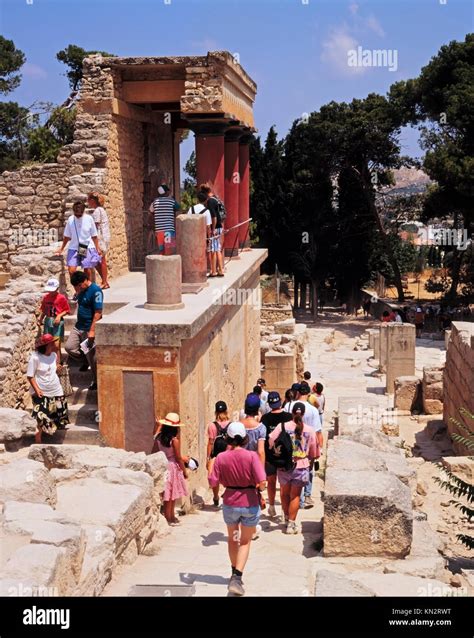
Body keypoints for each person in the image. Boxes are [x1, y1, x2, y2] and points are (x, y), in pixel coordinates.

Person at [208, 421, 267, 596]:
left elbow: (212, 482)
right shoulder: (251, 456)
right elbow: (262, 483)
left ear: (228, 438)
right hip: (249, 504)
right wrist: (259, 490)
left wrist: (211, 466)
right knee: (245, 541)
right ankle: (237, 577)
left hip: (230, 504)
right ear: (245, 438)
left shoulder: (221, 458)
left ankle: (234, 572)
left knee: (233, 538)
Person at [269, 402, 318, 534]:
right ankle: (291, 524)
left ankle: (285, 518)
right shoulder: (309, 430)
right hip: (302, 466)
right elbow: (314, 452)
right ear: (303, 414)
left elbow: (270, 440)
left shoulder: (282, 426)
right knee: (295, 495)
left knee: (284, 493)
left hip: (284, 465)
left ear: (291, 413)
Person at [284, 382, 322, 509]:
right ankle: (307, 495)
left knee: (294, 470)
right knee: (308, 470)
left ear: (298, 393)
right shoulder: (314, 410)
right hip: (308, 443)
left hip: (291, 444)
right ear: (308, 394)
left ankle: (298, 499)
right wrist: (319, 448)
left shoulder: (289, 406)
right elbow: (318, 431)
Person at [27, 334, 69, 443]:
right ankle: (38, 439)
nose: (55, 344)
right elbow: (30, 376)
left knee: (59, 411)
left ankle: (53, 433)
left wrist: (58, 368)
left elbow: (52, 370)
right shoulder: (35, 357)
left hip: (56, 389)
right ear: (47, 345)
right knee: (40, 415)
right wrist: (37, 390)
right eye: (52, 343)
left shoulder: (54, 355)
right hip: (42, 391)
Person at [65, 271, 103, 390]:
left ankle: (96, 381)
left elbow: (98, 313)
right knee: (69, 347)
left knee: (92, 357)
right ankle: (84, 361)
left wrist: (92, 331)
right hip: (78, 326)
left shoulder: (96, 291)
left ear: (86, 280)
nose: (79, 289)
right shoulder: (80, 290)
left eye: (80, 286)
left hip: (88, 328)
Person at [153, 413, 189, 526]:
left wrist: (158, 425)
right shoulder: (174, 440)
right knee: (171, 493)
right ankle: (170, 517)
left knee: (167, 492)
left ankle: (169, 515)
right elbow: (178, 457)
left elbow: (155, 435)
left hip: (163, 466)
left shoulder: (158, 437)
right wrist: (184, 471)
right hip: (172, 467)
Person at [261, 391, 293, 518]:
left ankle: (272, 506)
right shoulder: (288, 417)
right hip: (285, 457)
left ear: (269, 403)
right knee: (285, 486)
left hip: (270, 457)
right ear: (280, 402)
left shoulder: (265, 419)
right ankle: (284, 512)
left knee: (271, 481)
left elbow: (263, 438)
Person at [55, 201, 102, 280]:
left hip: (85, 247)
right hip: (74, 248)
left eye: (80, 215)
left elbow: (94, 235)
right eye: (76, 214)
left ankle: (86, 288)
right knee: (71, 271)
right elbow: (67, 236)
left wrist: (97, 248)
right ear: (74, 211)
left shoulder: (89, 219)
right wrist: (61, 248)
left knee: (86, 269)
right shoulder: (70, 220)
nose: (78, 216)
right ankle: (78, 290)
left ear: (83, 211)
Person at [37, 278, 70, 365]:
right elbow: (44, 310)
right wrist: (40, 319)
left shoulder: (61, 298)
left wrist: (59, 316)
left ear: (57, 288)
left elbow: (67, 310)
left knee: (56, 344)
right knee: (48, 343)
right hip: (48, 321)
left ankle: (58, 363)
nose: (51, 292)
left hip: (57, 322)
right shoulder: (46, 297)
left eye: (53, 290)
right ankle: (51, 361)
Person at [206, 400, 231, 508]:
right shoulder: (231, 425)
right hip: (228, 455)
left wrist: (208, 457)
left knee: (213, 476)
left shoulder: (212, 425)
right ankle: (227, 494)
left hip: (216, 455)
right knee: (229, 476)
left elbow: (211, 442)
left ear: (215, 411)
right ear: (226, 411)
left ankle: (216, 496)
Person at [87, 192, 111, 289]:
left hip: (100, 238)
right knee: (98, 260)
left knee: (101, 260)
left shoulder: (97, 211)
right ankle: (105, 281)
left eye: (88, 200)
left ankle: (104, 282)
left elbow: (95, 226)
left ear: (92, 201)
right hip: (104, 237)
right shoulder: (102, 210)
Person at [199, 184, 224, 277]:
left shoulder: (210, 201)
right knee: (217, 248)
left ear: (205, 193)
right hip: (219, 227)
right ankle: (220, 270)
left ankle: (214, 271)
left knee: (214, 250)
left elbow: (213, 217)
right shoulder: (216, 199)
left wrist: (212, 229)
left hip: (215, 228)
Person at [149, 184, 180, 256]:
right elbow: (178, 207)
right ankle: (168, 267)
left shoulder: (155, 202)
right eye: (168, 192)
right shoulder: (171, 201)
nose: (169, 193)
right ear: (165, 193)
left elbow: (151, 211)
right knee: (169, 251)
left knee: (161, 251)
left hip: (159, 231)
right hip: (168, 230)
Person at [188, 190, 212, 272]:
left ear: (197, 199)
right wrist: (209, 238)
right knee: (203, 253)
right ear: (205, 200)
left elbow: (188, 220)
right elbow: (208, 226)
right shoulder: (207, 211)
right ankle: (203, 269)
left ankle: (193, 268)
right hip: (202, 236)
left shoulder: (191, 209)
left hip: (192, 235)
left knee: (193, 252)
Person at [241, 394, 267, 467]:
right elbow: (260, 452)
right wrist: (261, 473)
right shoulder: (261, 428)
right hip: (254, 464)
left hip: (241, 464)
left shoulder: (238, 425)